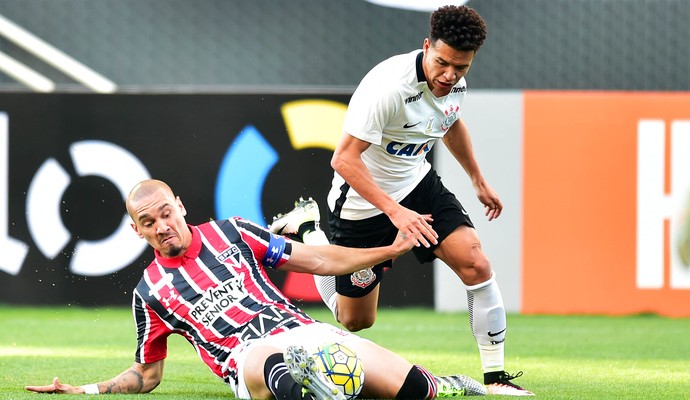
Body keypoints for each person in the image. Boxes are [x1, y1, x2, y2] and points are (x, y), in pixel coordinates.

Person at [269, 5, 532, 397]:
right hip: (362, 203)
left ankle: (495, 379)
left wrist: (477, 178)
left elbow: (450, 122)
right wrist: (396, 212)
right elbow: (342, 159)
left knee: (476, 263)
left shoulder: (454, 82)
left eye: (461, 67)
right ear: (427, 46)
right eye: (442, 63)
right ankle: (308, 229)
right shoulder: (388, 89)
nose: (449, 75)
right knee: (355, 320)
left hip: (419, 184)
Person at [25, 179, 486, 399]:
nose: (162, 226)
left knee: (417, 391)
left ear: (180, 205)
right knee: (279, 370)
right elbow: (147, 376)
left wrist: (389, 250)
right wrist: (87, 390)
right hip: (249, 357)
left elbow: (320, 259)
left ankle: (446, 384)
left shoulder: (235, 232)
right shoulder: (150, 292)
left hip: (306, 331)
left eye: (166, 213)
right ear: (136, 231)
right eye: (149, 222)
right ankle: (312, 385)